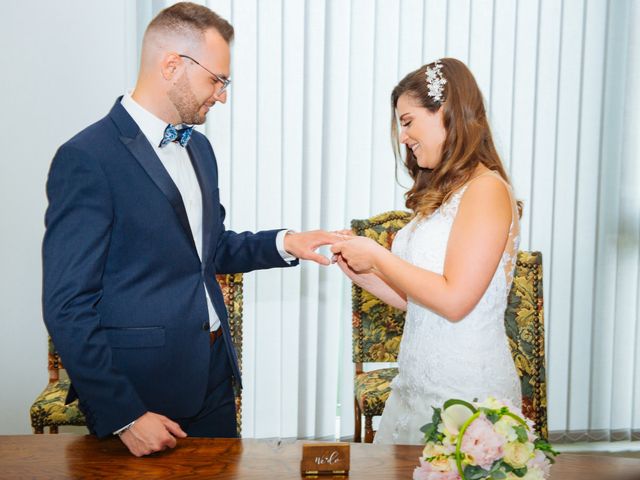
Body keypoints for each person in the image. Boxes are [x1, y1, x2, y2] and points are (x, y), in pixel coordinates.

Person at [42, 2, 339, 457]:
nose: (222, 95)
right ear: (171, 66)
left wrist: (286, 243)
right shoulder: (87, 157)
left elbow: (210, 249)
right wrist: (125, 415)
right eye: (217, 80)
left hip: (214, 375)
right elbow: (67, 305)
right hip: (142, 393)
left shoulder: (199, 149)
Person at [331, 58, 522, 444]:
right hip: (415, 385)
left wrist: (379, 255)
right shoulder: (445, 194)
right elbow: (421, 301)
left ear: (446, 114)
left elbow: (455, 301)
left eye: (408, 121)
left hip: (464, 395)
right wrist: (363, 273)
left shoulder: (486, 190)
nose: (403, 137)